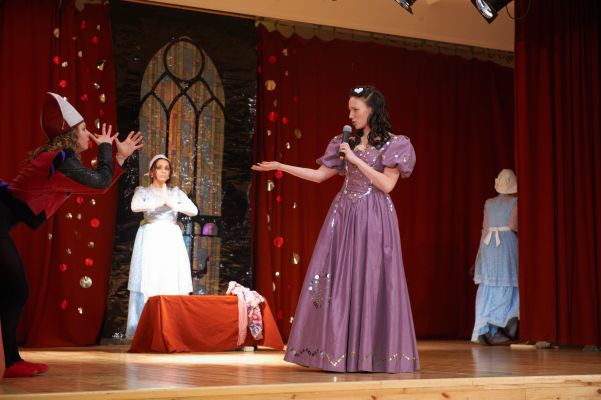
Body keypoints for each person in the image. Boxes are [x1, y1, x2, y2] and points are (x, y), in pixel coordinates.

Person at [252, 85, 419, 373]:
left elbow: (386, 185)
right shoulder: (344, 142)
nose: (350, 115)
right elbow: (319, 176)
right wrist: (281, 165)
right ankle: (337, 350)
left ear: (372, 110)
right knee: (336, 277)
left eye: (356, 109)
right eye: (349, 109)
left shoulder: (395, 144)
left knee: (371, 276)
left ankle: (370, 353)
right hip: (343, 215)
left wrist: (354, 160)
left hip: (374, 217)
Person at [0, 92, 143, 378]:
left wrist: (117, 156)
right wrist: (107, 149)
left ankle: (11, 359)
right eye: (83, 129)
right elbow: (100, 182)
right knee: (16, 290)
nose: (89, 134)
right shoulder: (60, 160)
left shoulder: (62, 160)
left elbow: (97, 185)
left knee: (13, 291)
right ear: (69, 134)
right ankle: (11, 361)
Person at [125, 154, 198, 340]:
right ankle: (145, 328)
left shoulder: (175, 192)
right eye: (159, 167)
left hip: (170, 238)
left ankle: (171, 327)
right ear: (152, 172)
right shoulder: (143, 191)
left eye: (167, 168)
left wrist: (172, 203)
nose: (163, 171)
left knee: (170, 278)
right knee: (150, 277)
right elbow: (135, 206)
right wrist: (159, 203)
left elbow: (193, 210)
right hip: (150, 237)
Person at [471, 169, 518, 345]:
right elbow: (513, 226)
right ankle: (502, 322)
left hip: (488, 244)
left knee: (488, 285)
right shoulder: (516, 202)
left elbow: (485, 228)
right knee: (509, 282)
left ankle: (484, 326)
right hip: (506, 243)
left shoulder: (489, 203)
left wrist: (479, 257)